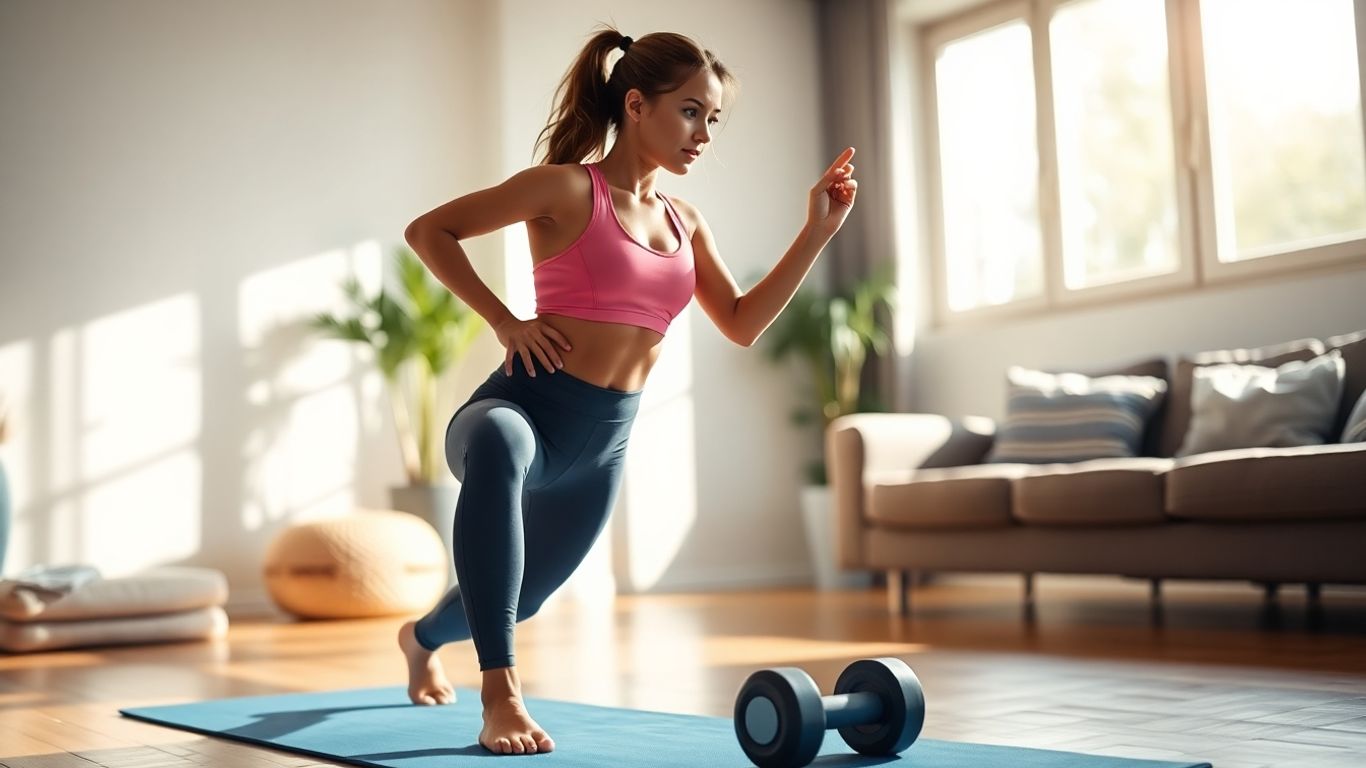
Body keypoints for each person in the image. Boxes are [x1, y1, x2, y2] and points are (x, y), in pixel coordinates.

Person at [397, 25, 857, 756]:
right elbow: (431, 231)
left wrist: (817, 233)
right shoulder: (566, 187)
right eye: (690, 111)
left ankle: (421, 638)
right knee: (495, 441)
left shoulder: (685, 221)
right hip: (522, 405)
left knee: (529, 596)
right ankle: (500, 694)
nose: (704, 133)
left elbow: (740, 323)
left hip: (602, 441)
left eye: (713, 118)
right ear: (636, 105)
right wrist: (505, 321)